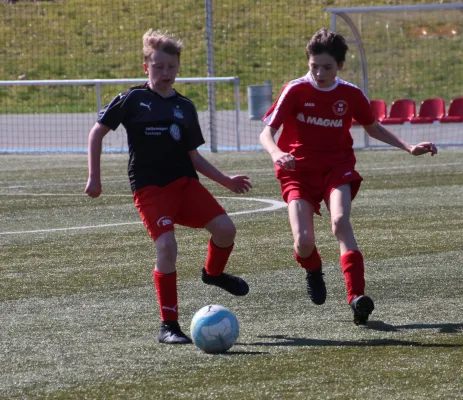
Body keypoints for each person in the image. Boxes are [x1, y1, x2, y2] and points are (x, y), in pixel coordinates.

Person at [259, 28, 437, 325]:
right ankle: (313, 270)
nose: (319, 73)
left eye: (327, 67)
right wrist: (277, 153)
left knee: (340, 221)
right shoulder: (295, 89)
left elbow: (373, 127)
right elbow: (267, 133)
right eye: (314, 66)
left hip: (336, 168)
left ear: (340, 66)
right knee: (303, 242)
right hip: (298, 172)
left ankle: (356, 298)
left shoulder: (350, 94)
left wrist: (408, 147)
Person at [85, 29, 252, 344]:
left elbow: (194, 157)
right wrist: (95, 177)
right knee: (167, 247)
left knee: (226, 230)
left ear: (178, 67)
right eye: (158, 66)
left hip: (185, 185)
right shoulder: (132, 99)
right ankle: (169, 326)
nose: (165, 73)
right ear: (145, 66)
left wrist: (226, 181)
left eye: (171, 67)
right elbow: (97, 133)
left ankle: (213, 274)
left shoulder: (185, 107)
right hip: (150, 188)